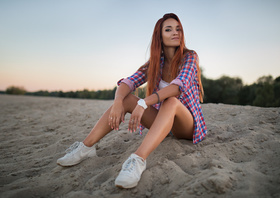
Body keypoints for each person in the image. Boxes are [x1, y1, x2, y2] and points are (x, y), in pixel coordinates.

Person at [57, 13, 207, 189]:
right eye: (169, 29)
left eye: (178, 29)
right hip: (163, 125)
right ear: (159, 36)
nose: (176, 33)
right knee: (127, 98)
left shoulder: (190, 57)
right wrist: (118, 101)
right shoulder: (155, 63)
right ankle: (86, 147)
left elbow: (177, 87)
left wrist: (144, 102)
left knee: (171, 101)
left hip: (186, 125)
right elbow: (128, 82)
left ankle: (138, 160)